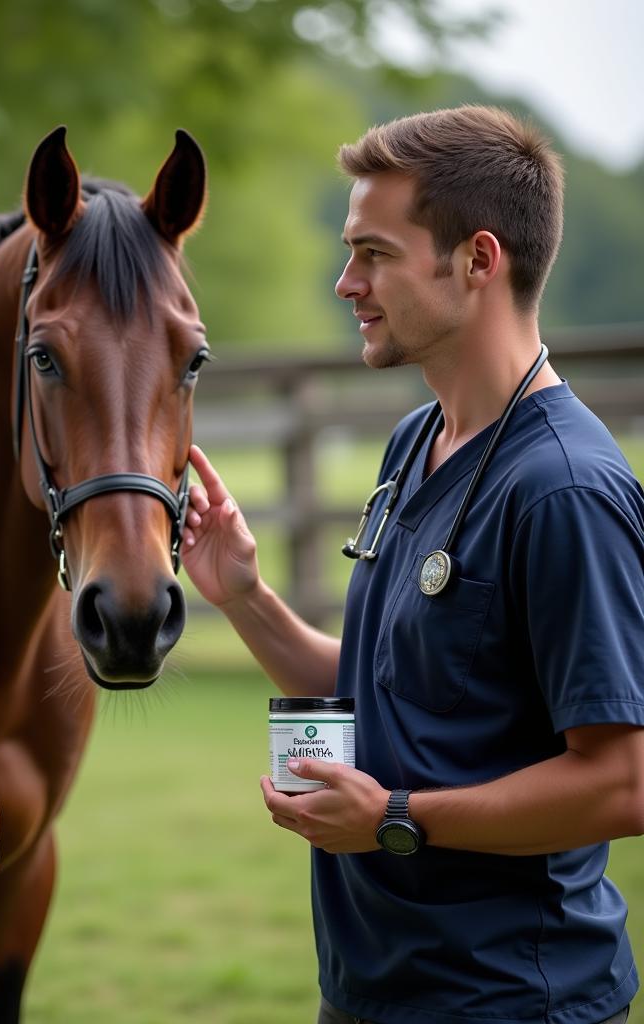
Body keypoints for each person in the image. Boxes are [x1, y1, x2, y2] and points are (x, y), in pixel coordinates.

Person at [182, 106, 644, 1024]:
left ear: (478, 260)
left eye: (375, 253)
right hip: (372, 991)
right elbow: (383, 686)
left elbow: (623, 781)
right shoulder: (416, 439)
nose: (346, 282)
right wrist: (245, 598)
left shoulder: (563, 489)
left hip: (509, 999)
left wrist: (398, 816)